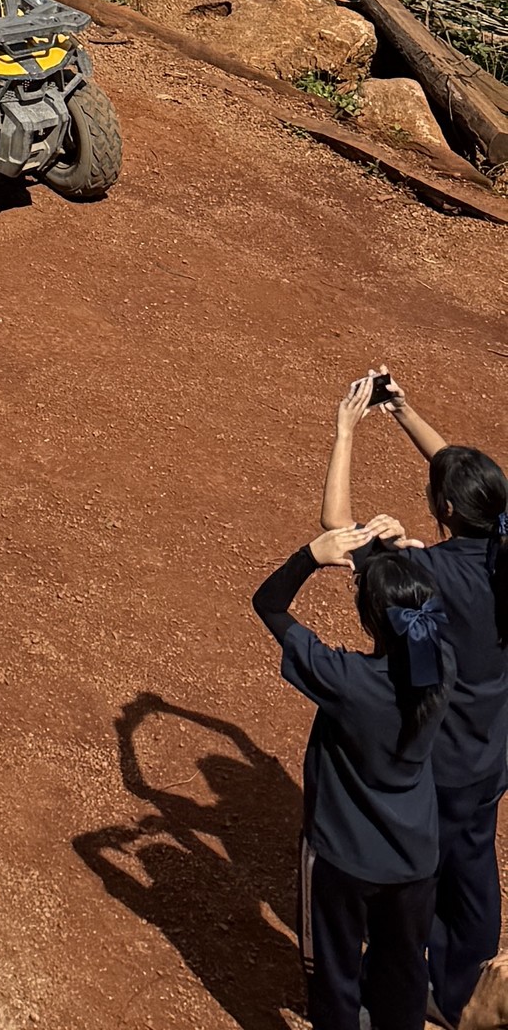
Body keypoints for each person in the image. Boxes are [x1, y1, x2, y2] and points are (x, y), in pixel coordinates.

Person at [258, 407, 455, 1030]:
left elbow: (268, 604)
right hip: (415, 861)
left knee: (336, 980)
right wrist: (397, 548)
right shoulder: (441, 663)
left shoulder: (348, 682)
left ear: (371, 621)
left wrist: (312, 555)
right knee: (402, 974)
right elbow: (409, 603)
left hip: (345, 860)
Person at [336, 368, 508, 1023]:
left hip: (440, 753)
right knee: (473, 865)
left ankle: (396, 989)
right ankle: (462, 988)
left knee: (413, 873)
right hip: (492, 749)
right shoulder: (502, 544)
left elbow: (340, 529)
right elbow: (469, 486)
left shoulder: (428, 572)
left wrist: (350, 428)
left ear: (440, 512)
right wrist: (405, 413)